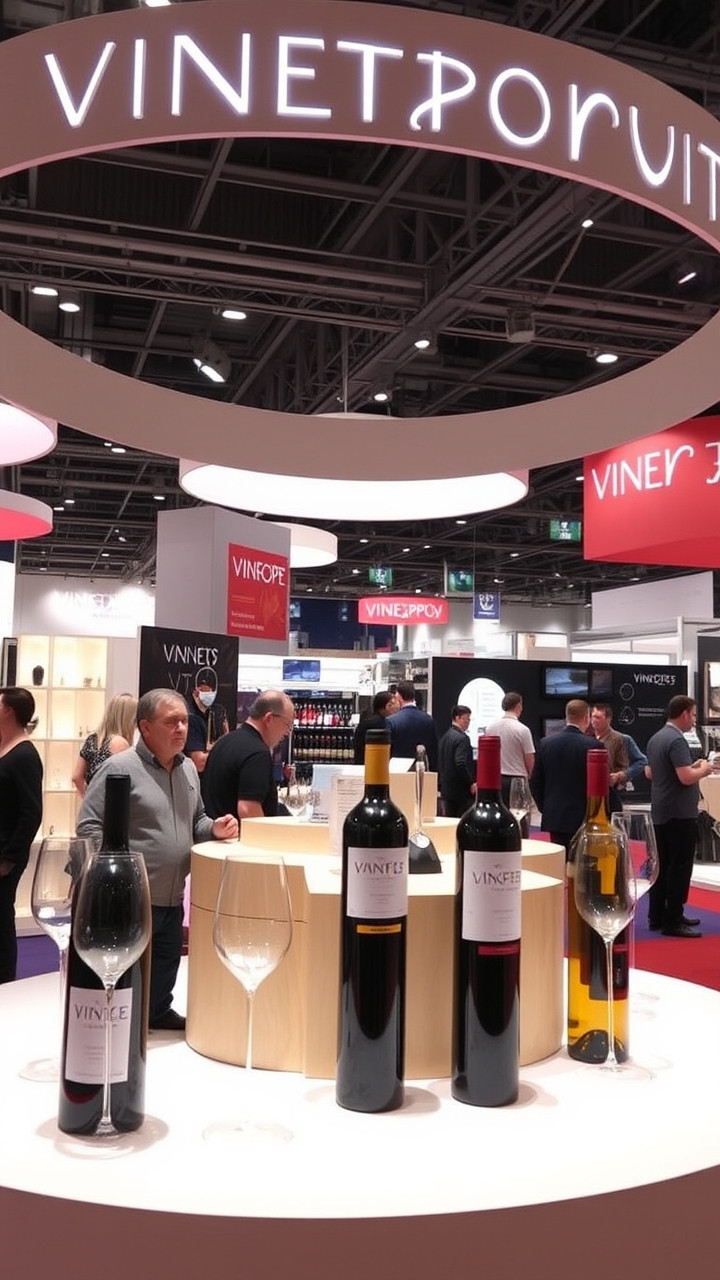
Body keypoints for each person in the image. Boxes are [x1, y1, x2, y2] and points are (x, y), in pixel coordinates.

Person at [77, 688, 237, 1031]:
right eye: (171, 722)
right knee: (130, 965)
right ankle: (123, 1023)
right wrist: (114, 872)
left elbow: (197, 821)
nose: (181, 728)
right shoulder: (118, 768)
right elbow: (89, 824)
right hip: (132, 895)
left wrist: (215, 828)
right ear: (146, 727)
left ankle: (157, 1011)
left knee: (166, 959)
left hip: (172, 893)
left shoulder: (188, 769)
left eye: (184, 721)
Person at [645, 695, 715, 937]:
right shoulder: (676, 740)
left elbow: (651, 772)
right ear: (684, 713)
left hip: (662, 810)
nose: (694, 720)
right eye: (693, 715)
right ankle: (673, 919)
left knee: (662, 865)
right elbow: (685, 778)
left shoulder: (656, 738)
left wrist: (692, 768)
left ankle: (657, 915)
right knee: (680, 867)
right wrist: (704, 769)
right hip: (680, 813)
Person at [202, 689, 295, 826]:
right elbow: (247, 810)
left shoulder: (224, 741)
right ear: (269, 718)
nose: (287, 732)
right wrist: (268, 837)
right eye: (287, 724)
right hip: (237, 837)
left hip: (213, 834)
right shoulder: (258, 753)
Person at [0, 687, 43, 984]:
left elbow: (31, 812)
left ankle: (4, 980)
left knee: (2, 916)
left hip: (5, 854)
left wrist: (9, 858)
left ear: (9, 711)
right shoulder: (6, 747)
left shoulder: (25, 755)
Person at [530, 699, 607, 856]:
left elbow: (535, 781)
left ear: (567, 716)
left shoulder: (546, 743)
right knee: (583, 863)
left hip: (556, 816)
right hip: (585, 816)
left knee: (560, 861)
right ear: (586, 717)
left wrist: (546, 807)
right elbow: (601, 785)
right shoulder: (594, 746)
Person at [71, 692, 137, 796]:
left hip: (94, 802)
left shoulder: (93, 739)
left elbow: (76, 777)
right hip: (111, 802)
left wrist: (88, 799)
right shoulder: (120, 744)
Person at [485, 691, 535, 826]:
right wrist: (531, 777)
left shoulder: (490, 728)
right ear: (518, 706)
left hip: (496, 779)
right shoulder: (523, 730)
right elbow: (529, 758)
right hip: (518, 780)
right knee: (520, 820)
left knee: (498, 818)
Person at [185, 666, 229, 778]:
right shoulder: (191, 717)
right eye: (204, 690)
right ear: (195, 692)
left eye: (210, 690)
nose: (208, 693)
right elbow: (200, 762)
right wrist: (223, 747)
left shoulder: (216, 713)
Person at [386, 680, 439, 772]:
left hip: (397, 773)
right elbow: (433, 753)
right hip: (421, 773)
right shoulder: (428, 720)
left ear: (398, 696)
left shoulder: (391, 721)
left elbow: (387, 752)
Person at [438, 704, 476, 817]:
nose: (468, 722)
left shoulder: (445, 737)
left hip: (446, 789)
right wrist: (471, 782)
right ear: (457, 718)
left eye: (469, 719)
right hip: (460, 792)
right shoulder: (463, 739)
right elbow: (460, 763)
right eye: (466, 719)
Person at [590, 703, 629, 807]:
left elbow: (624, 766)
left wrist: (617, 776)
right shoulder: (587, 736)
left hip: (608, 790)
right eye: (592, 717)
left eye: (598, 717)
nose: (593, 720)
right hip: (588, 789)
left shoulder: (617, 739)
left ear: (608, 719)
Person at [353, 690, 398, 764]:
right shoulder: (381, 724)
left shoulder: (367, 720)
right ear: (386, 706)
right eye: (392, 704)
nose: (396, 707)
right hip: (374, 764)